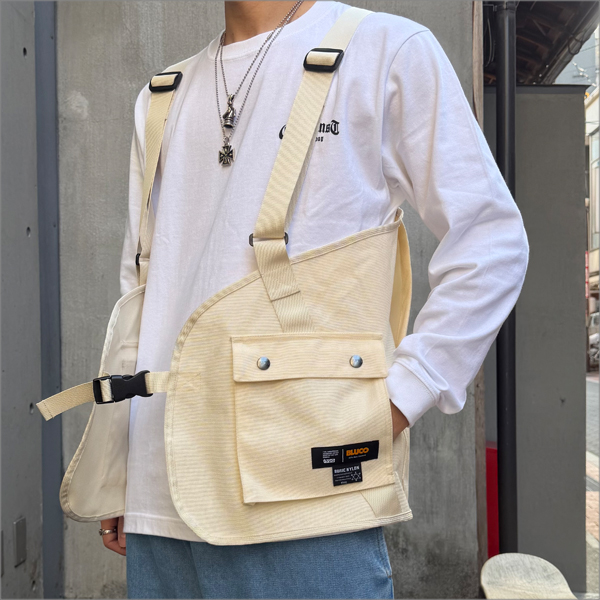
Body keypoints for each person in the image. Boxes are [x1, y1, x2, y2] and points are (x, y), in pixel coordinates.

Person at [100, 1, 529, 598]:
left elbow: (491, 240)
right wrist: (117, 462)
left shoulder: (386, 51)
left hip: (302, 488)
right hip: (160, 498)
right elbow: (141, 287)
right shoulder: (161, 95)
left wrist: (400, 399)